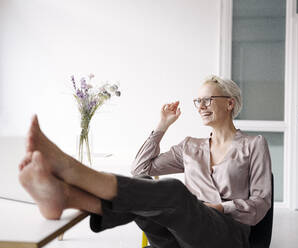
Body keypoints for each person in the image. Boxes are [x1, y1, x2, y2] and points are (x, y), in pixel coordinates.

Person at [18, 75, 272, 248]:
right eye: (198, 101)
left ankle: (72, 176)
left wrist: (220, 208)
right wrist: (162, 126)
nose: (201, 106)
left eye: (208, 100)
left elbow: (261, 204)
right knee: (145, 186)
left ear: (230, 103)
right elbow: (141, 169)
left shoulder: (253, 144)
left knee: (173, 191)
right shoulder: (189, 146)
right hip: (175, 238)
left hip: (226, 235)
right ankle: (67, 196)